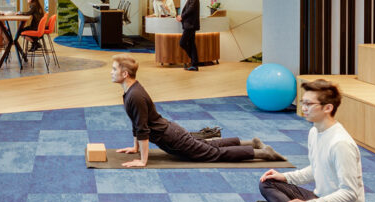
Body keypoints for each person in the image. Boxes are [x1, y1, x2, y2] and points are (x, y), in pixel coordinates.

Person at [109, 54, 279, 167]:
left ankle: (263, 153)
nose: (111, 72)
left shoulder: (135, 96)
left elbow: (142, 129)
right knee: (207, 145)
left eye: (114, 69)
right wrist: (135, 148)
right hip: (171, 133)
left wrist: (142, 161)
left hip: (173, 138)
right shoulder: (130, 92)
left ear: (125, 74)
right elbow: (137, 122)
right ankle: (252, 142)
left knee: (212, 154)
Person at [256, 79, 366, 202]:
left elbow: (350, 194)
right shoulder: (315, 131)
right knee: (267, 182)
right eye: (302, 102)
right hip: (321, 199)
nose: (303, 108)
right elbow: (317, 169)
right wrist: (285, 177)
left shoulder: (341, 144)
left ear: (328, 107)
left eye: (309, 103)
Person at [179, 0, 200, 71]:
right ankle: (194, 64)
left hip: (190, 25)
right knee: (192, 44)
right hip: (189, 25)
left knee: (182, 43)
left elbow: (190, 10)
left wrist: (181, 16)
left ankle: (194, 61)